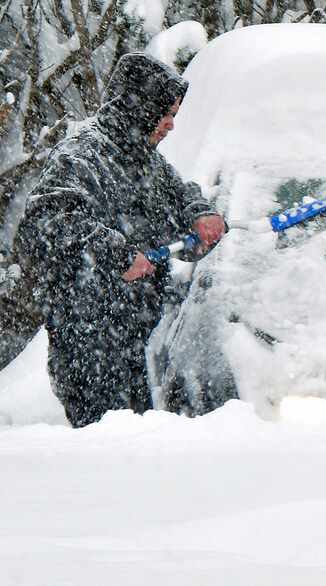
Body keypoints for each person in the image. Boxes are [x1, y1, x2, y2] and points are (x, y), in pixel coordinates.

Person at [16, 53, 225, 427]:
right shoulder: (81, 157)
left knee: (134, 450)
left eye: (175, 115)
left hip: (134, 338)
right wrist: (115, 253)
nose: (171, 125)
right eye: (167, 113)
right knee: (108, 450)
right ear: (140, 107)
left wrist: (200, 215)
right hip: (89, 342)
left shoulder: (146, 161)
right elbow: (48, 223)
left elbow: (180, 199)